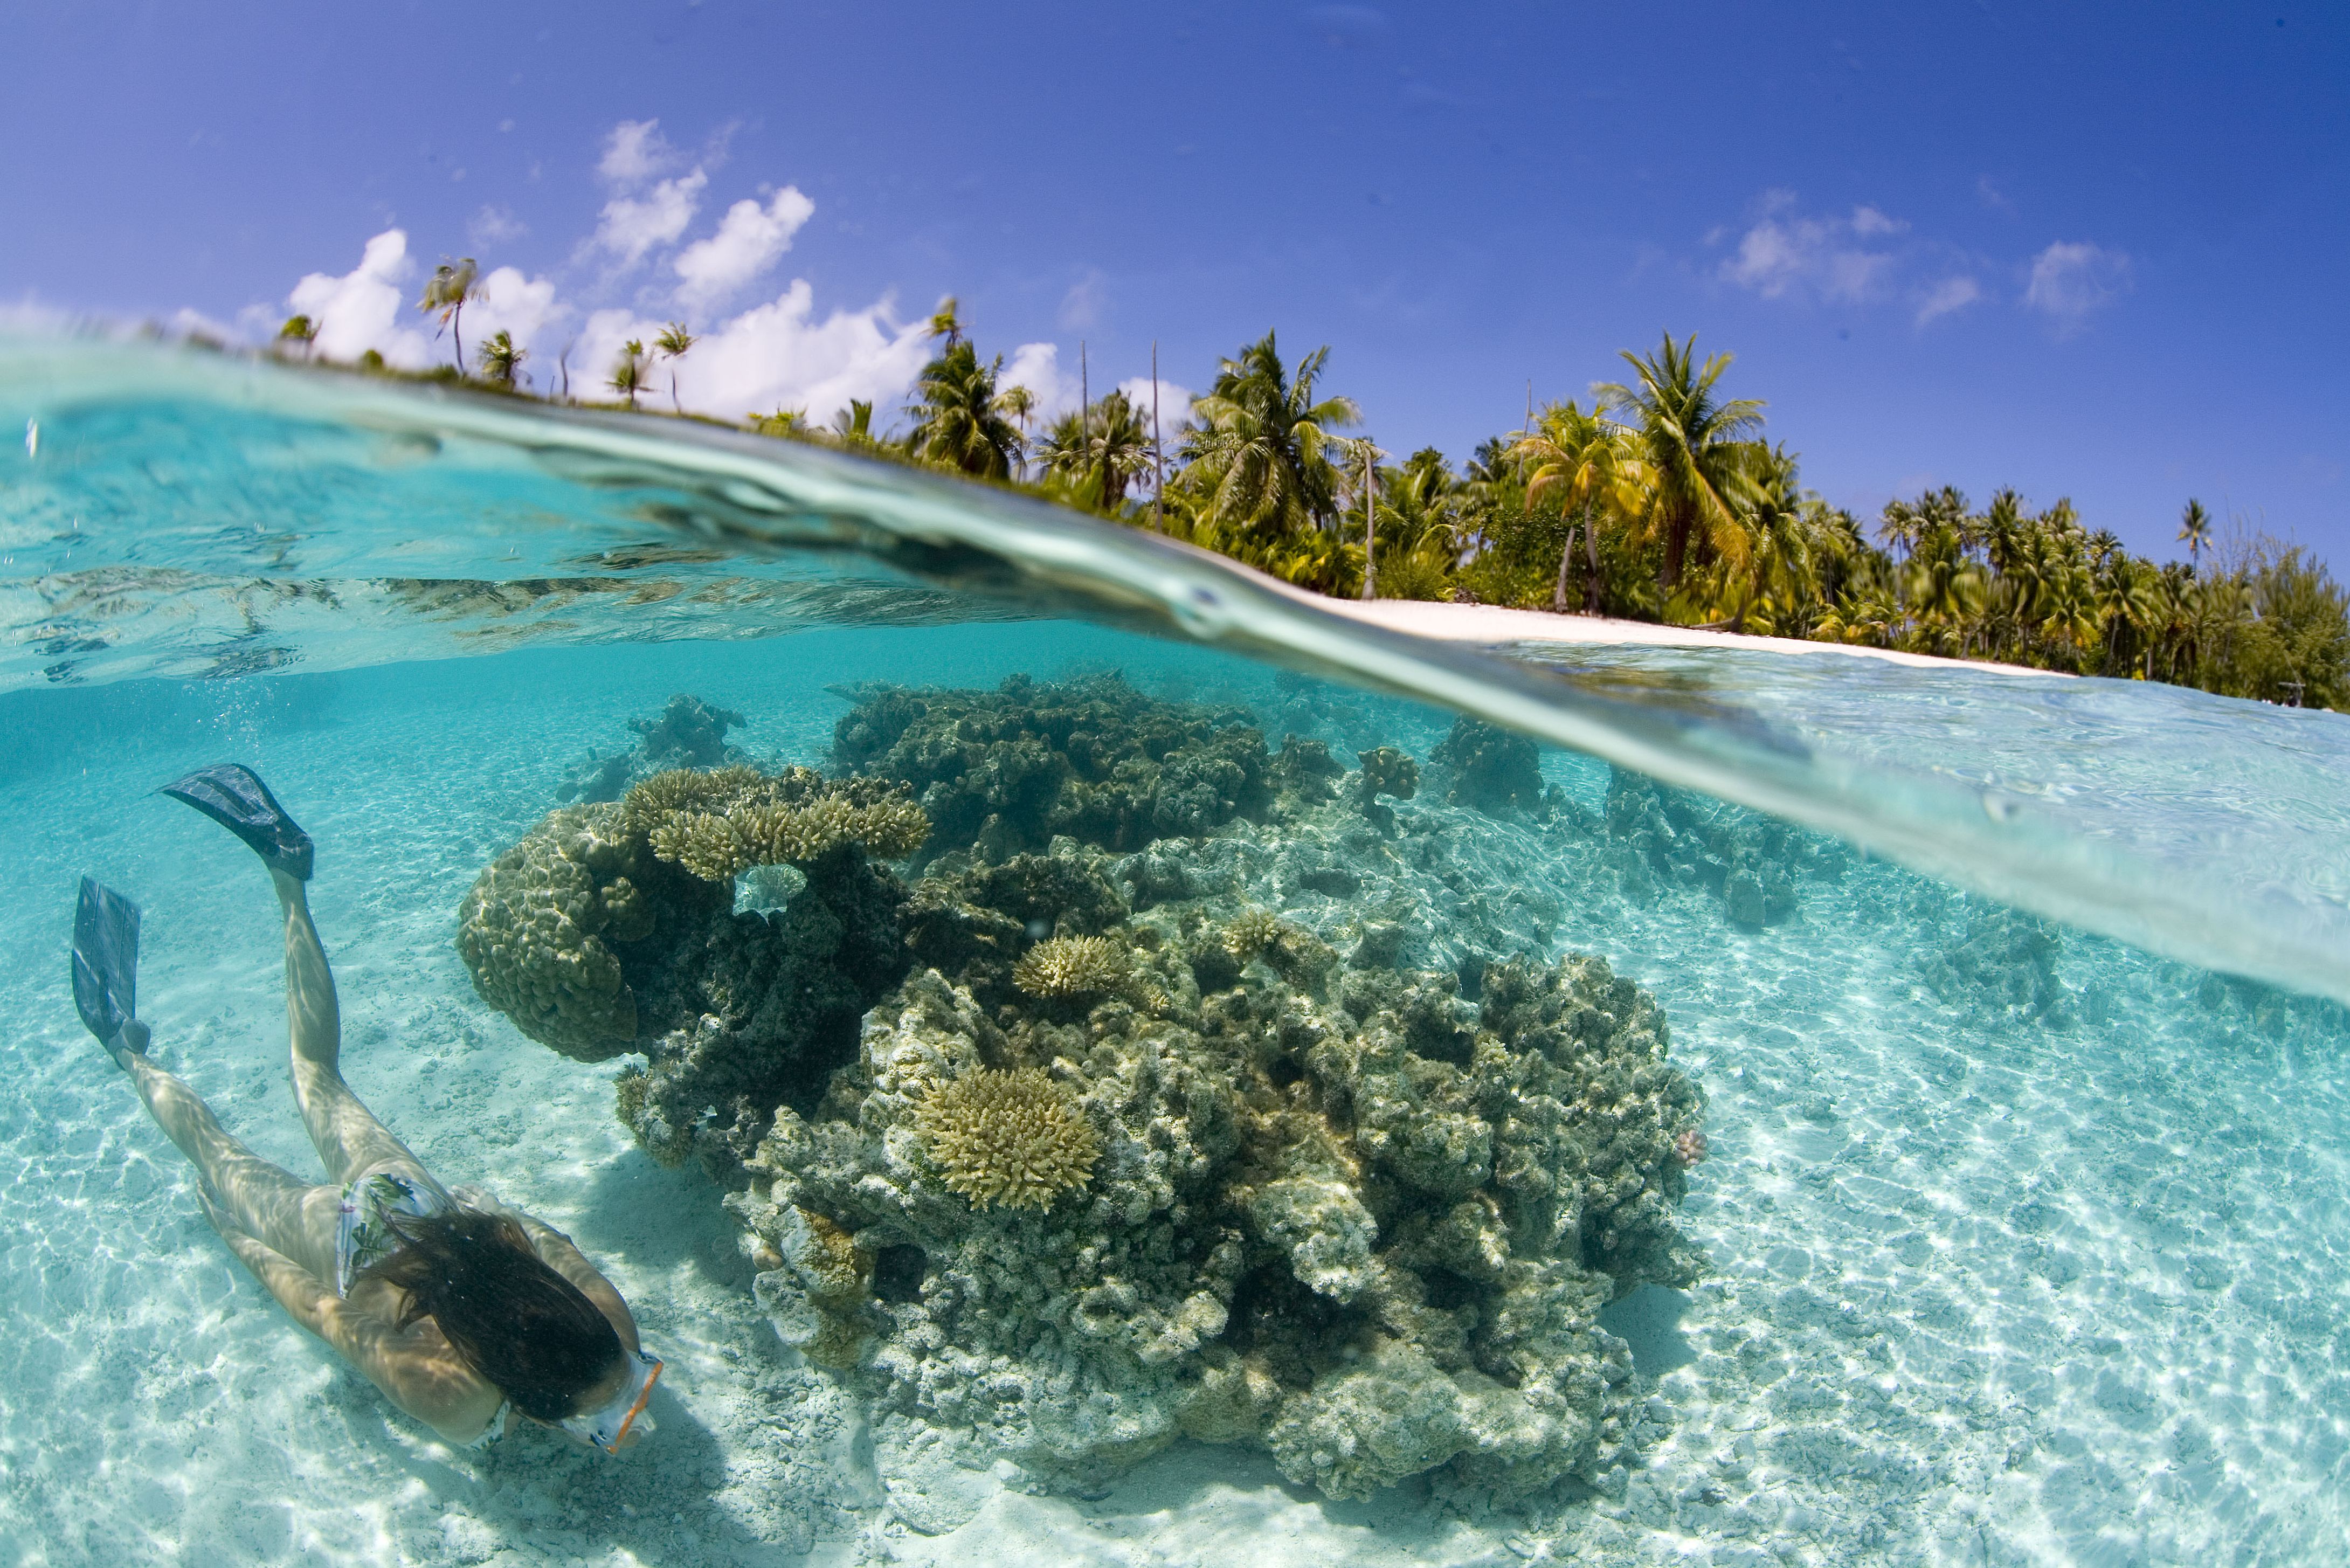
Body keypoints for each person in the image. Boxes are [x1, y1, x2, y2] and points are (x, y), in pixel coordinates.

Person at [70, 764, 659, 1453]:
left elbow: (554, 1242)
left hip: (424, 1210)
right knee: (220, 1157)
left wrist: (494, 1215)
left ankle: (287, 875)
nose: (629, 1405)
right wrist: (239, 1236)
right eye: (626, 1390)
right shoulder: (451, 1397)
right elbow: (325, 1312)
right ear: (521, 1399)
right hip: (354, 1250)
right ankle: (125, 1048)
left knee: (315, 1071)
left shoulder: (612, 1326)